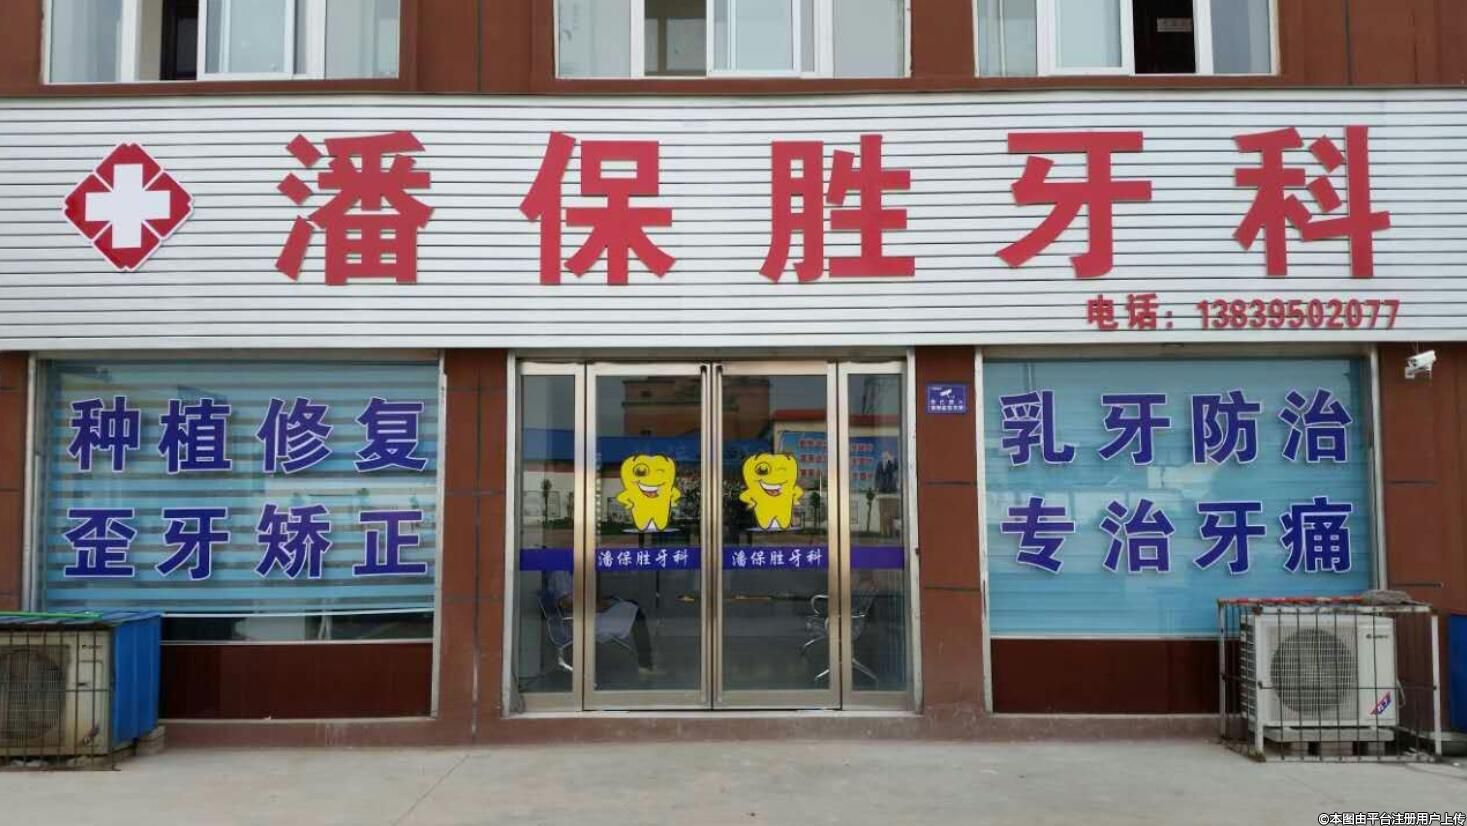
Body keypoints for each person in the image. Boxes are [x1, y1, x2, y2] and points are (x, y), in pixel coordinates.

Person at [547, 569, 655, 675]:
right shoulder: (560, 572)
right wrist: (598, 606)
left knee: (632, 605)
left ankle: (646, 661)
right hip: (579, 620)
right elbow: (568, 604)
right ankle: (646, 664)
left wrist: (600, 603)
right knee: (635, 613)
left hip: (591, 615)